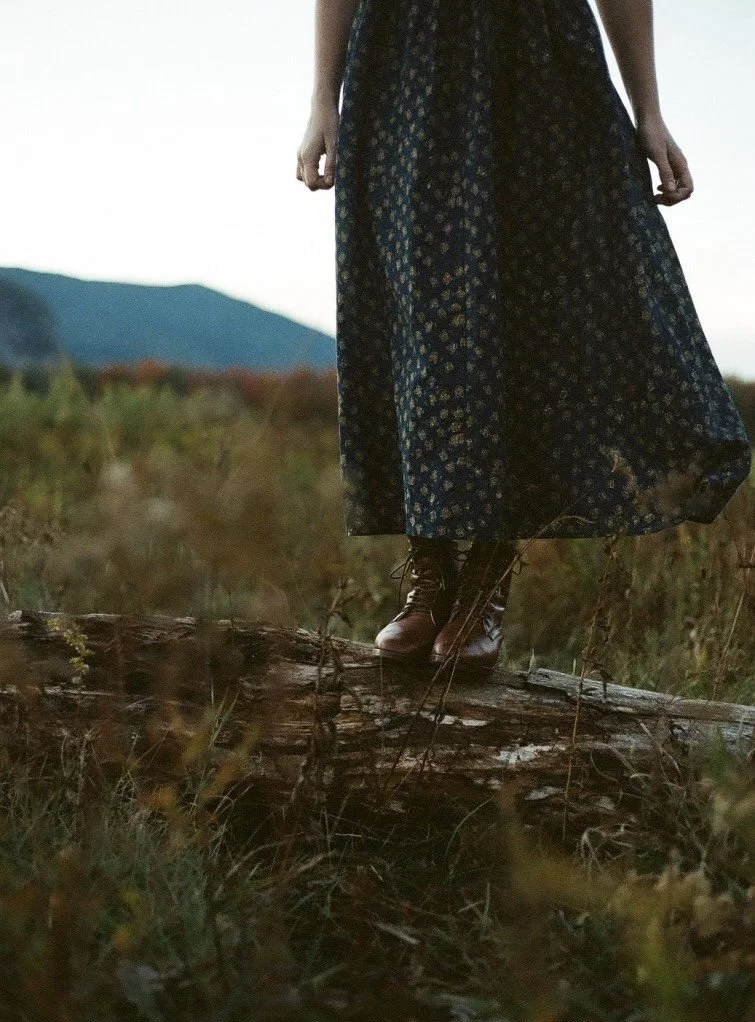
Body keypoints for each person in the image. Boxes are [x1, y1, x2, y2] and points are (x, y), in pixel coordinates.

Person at [296, 0, 752, 676]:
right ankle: (430, 573)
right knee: (422, 317)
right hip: (401, 63)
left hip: (534, 61)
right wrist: (321, 100)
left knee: (526, 310)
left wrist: (648, 110)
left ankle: (484, 575)